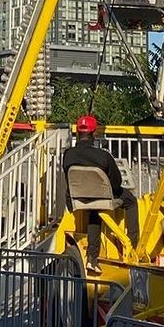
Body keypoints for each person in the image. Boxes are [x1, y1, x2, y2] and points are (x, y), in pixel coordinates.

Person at [61, 115, 140, 276]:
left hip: (78, 199)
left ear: (78, 133)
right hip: (102, 198)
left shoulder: (68, 154)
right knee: (131, 201)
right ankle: (133, 244)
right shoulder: (103, 156)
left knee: (94, 211)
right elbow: (116, 182)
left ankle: (92, 257)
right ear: (94, 133)